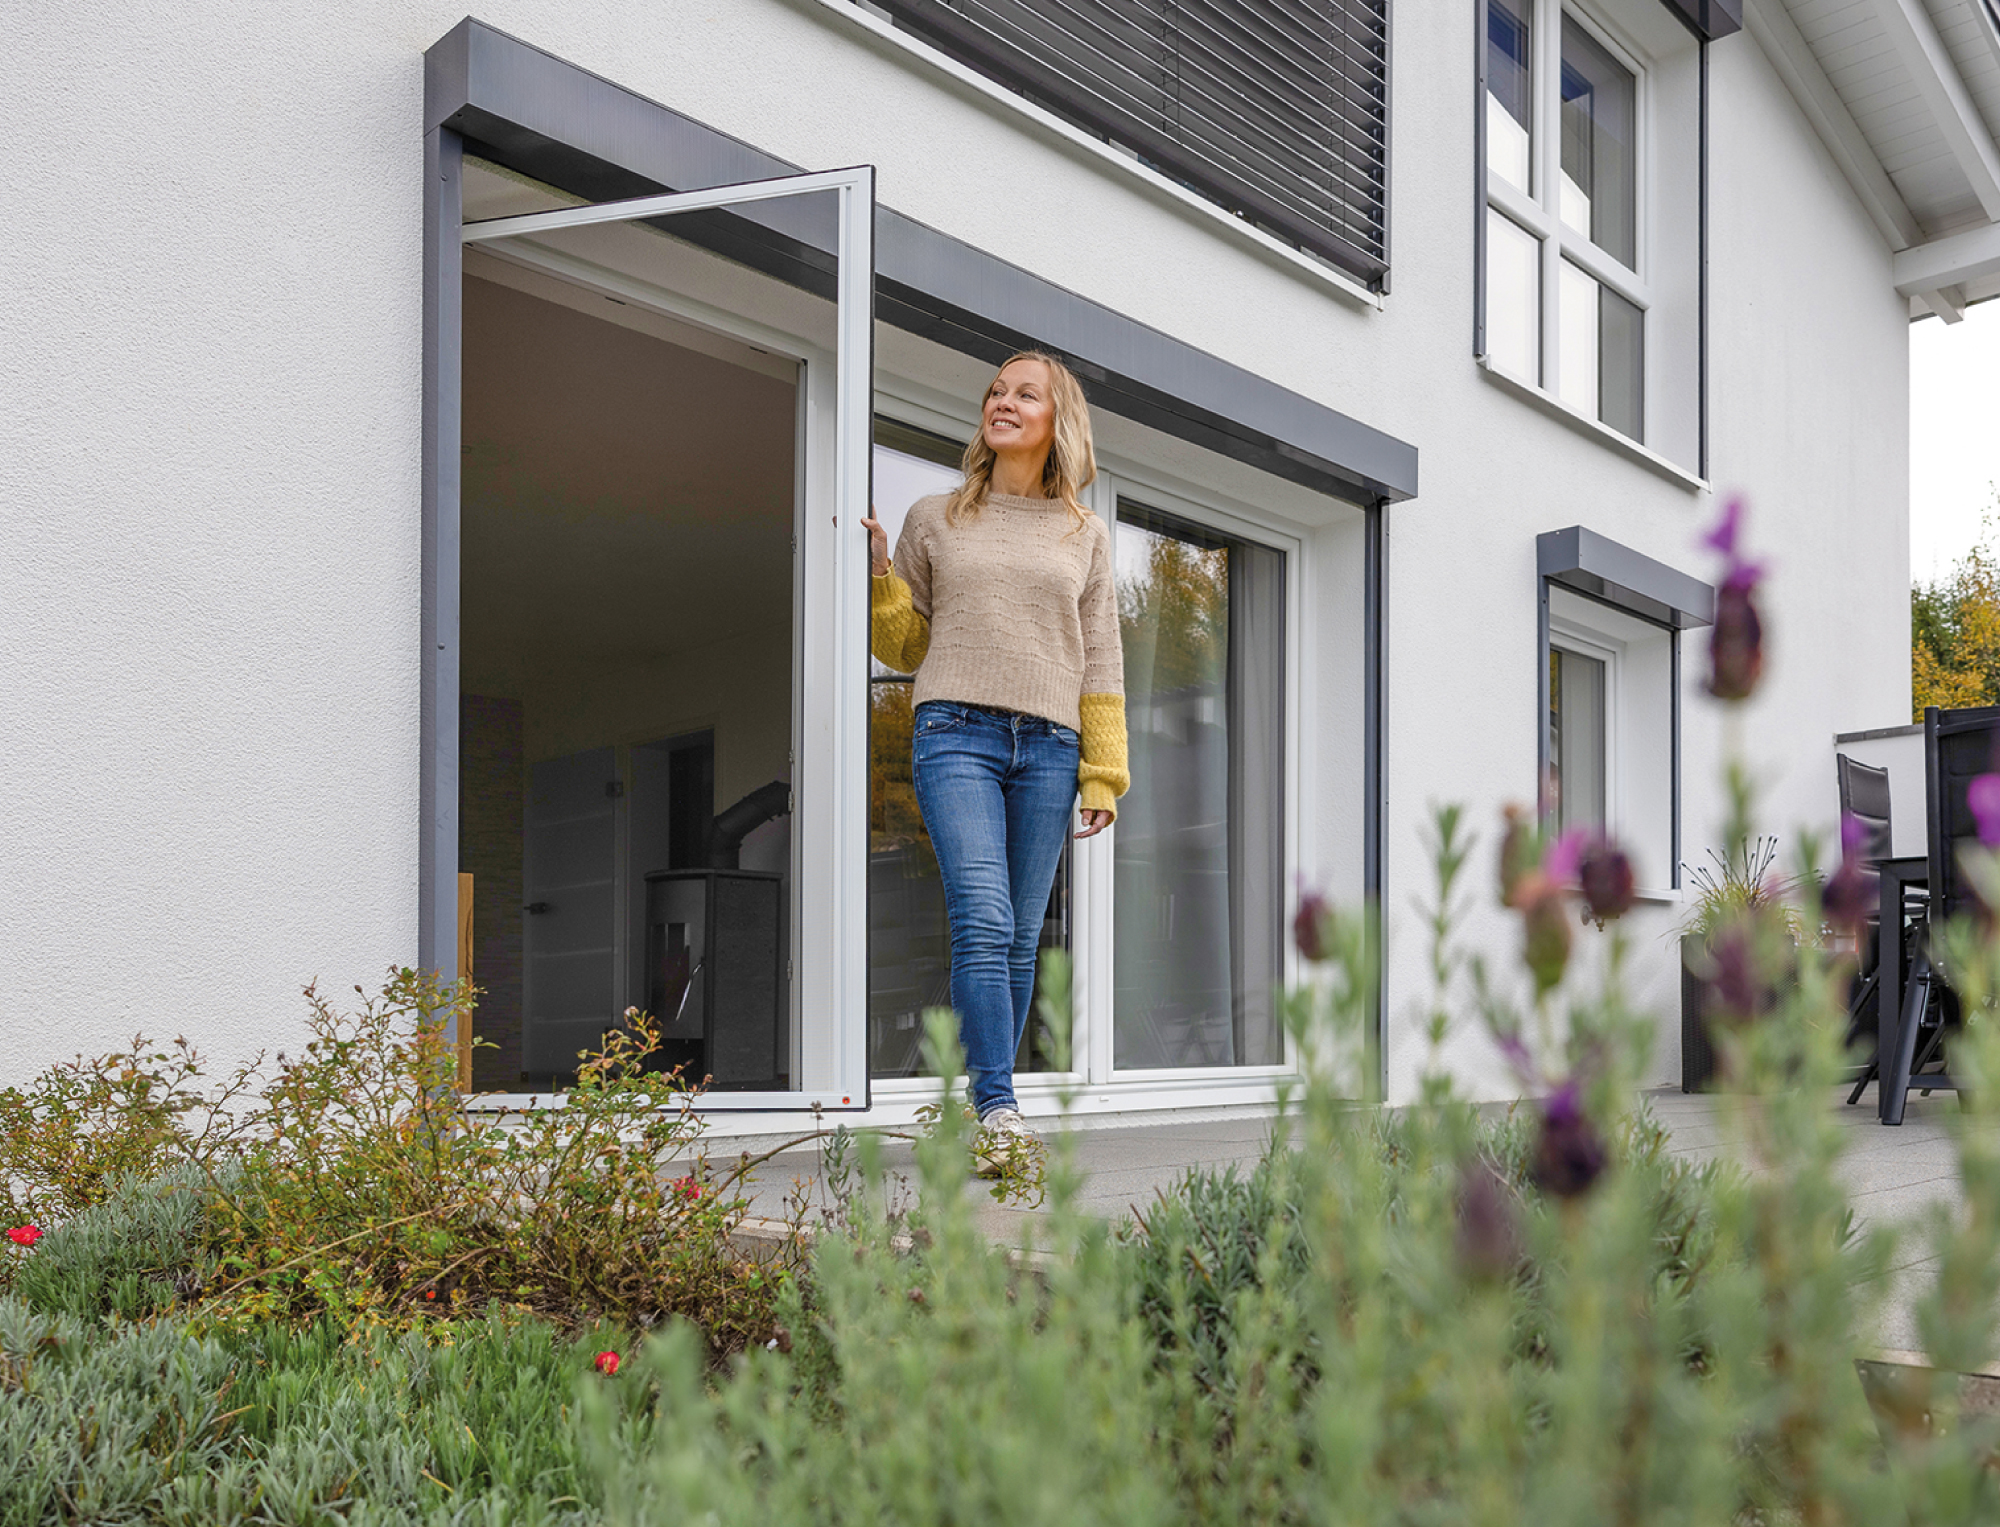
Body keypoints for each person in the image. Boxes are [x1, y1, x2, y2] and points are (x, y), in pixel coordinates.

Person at [863, 352, 1128, 1166]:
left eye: (1024, 394)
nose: (1002, 402)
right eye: (995, 392)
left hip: (1050, 744)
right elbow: (905, 647)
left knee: (1017, 936)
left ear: (1058, 420)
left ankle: (983, 1110)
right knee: (983, 916)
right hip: (955, 732)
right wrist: (882, 580)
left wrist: (1103, 772)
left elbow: (1101, 658)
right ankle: (1000, 1108)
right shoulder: (935, 518)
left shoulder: (1085, 534)